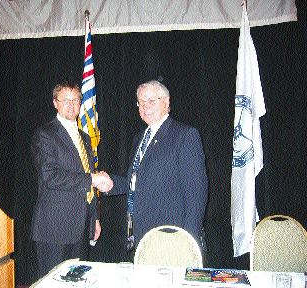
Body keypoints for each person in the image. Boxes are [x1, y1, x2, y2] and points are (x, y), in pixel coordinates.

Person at [107, 80, 208, 254]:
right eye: (141, 102)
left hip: (171, 241)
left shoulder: (184, 135)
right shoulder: (139, 138)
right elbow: (134, 181)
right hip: (140, 238)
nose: (145, 106)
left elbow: (196, 195)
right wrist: (110, 183)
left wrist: (187, 242)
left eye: (151, 101)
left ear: (166, 102)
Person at [31, 82, 113, 279]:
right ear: (55, 103)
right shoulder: (45, 134)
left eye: (75, 100)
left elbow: (88, 182)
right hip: (54, 229)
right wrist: (92, 178)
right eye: (65, 100)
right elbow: (50, 176)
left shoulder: (85, 138)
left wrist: (95, 219)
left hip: (81, 227)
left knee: (78, 282)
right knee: (53, 282)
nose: (71, 105)